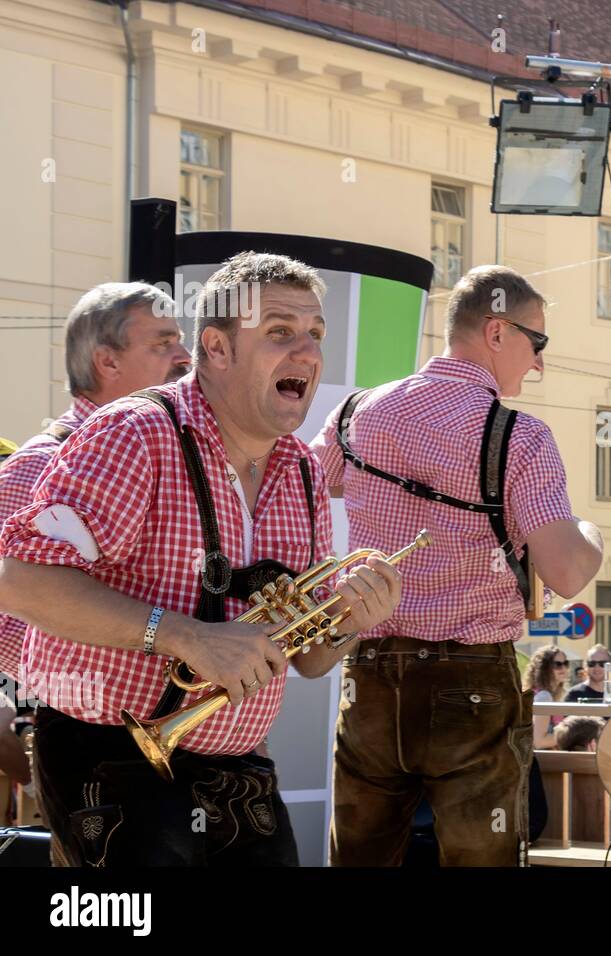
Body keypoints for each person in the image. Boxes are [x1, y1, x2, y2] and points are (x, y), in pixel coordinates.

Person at [0, 252, 402, 866]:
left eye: (315, 334)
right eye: (279, 332)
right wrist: (186, 637)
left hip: (239, 767)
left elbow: (313, 658)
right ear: (216, 347)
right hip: (109, 759)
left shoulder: (302, 470)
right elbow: (20, 582)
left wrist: (350, 619)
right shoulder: (134, 432)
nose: (307, 353)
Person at [310, 264, 603, 867]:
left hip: (370, 671)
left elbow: (296, 491)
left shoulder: (358, 413)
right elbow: (568, 573)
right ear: (497, 332)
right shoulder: (520, 437)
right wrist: (590, 533)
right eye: (537, 342)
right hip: (472, 679)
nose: (540, 362)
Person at [0, 282, 190, 679]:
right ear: (108, 362)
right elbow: (8, 615)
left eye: (181, 341)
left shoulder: (163, 450)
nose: (185, 358)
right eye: (162, 344)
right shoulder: (40, 464)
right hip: (92, 727)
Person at [525, 645, 570, 750]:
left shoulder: (544, 694)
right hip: (541, 762)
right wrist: (572, 733)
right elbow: (539, 741)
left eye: (565, 663)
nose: (563, 668)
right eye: (557, 664)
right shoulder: (544, 696)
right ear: (544, 668)